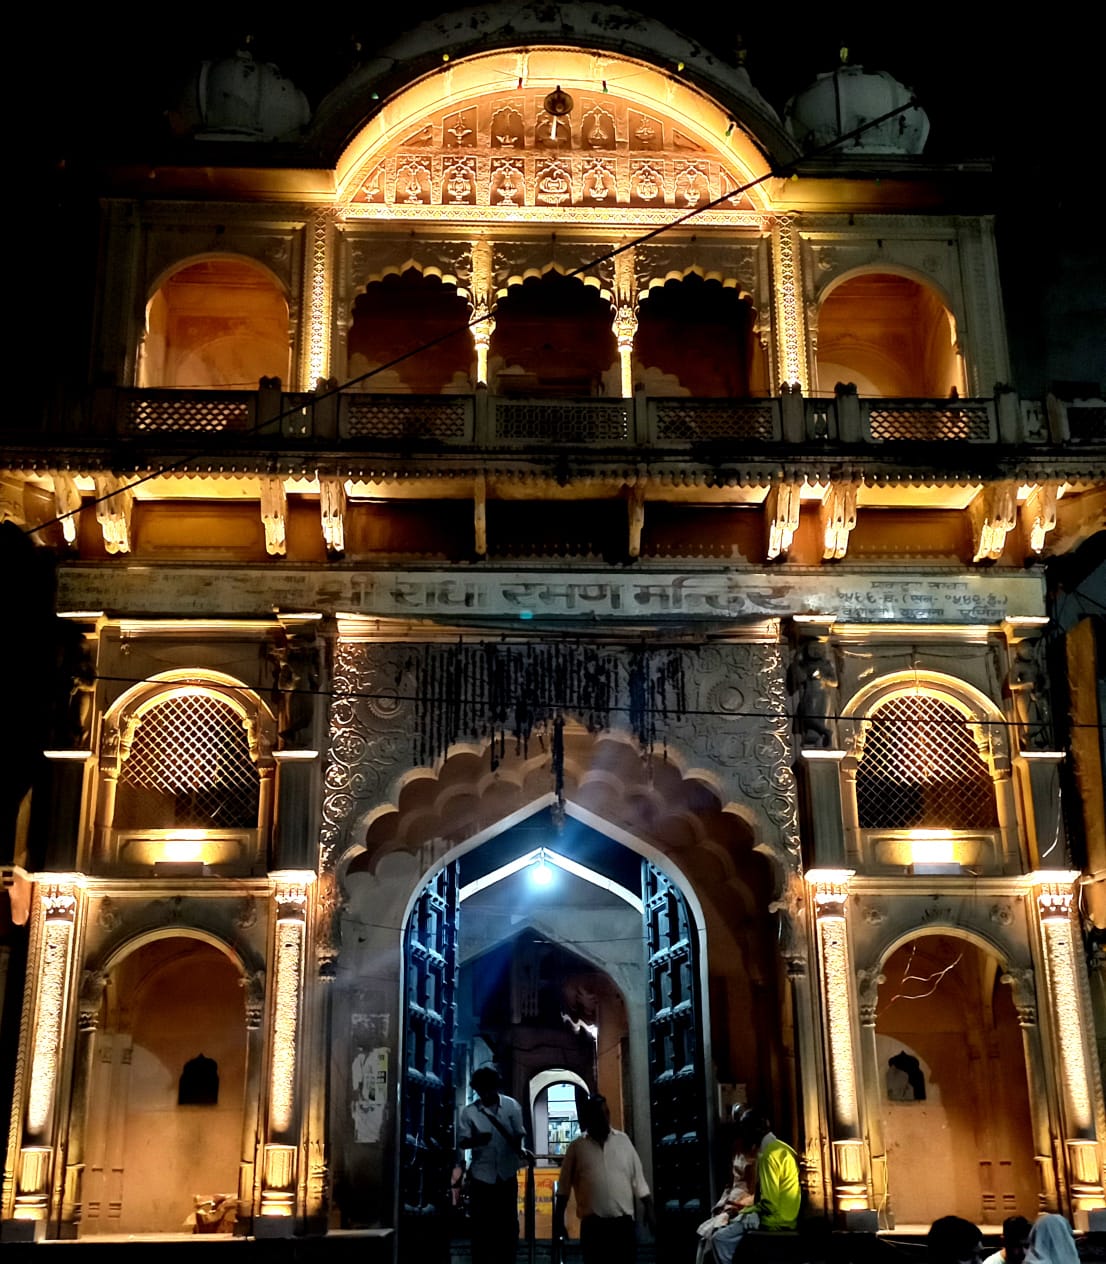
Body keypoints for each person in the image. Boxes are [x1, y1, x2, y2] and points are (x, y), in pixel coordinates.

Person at [554, 1094, 655, 1263]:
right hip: (594, 1228)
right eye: (599, 1114)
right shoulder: (577, 1147)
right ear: (589, 1118)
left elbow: (638, 1179)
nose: (604, 1118)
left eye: (606, 1113)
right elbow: (563, 1188)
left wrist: (649, 1208)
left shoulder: (623, 1141)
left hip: (622, 1226)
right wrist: (558, 1222)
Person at [706, 1109, 801, 1264]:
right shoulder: (783, 1148)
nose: (744, 1134)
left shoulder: (768, 1156)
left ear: (755, 1130)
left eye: (745, 1129)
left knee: (719, 1239)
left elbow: (769, 1204)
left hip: (774, 1220)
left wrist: (743, 1211)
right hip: (788, 1216)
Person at [457, 1064, 531, 1264]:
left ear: (496, 1087)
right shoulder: (469, 1112)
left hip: (506, 1174)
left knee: (508, 1224)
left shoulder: (512, 1107)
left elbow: (519, 1134)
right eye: (481, 1091)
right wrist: (477, 1140)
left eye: (488, 1089)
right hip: (482, 1176)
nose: (485, 1094)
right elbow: (462, 1142)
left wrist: (515, 1145)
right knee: (481, 1226)